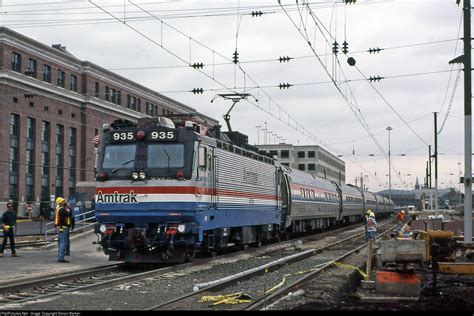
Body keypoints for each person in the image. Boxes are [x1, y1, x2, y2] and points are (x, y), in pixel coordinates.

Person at [54, 197, 71, 263]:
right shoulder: (62, 210)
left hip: (61, 227)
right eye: (63, 201)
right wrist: (68, 207)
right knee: (63, 242)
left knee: (61, 242)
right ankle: (61, 257)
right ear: (60, 203)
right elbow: (69, 214)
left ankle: (60, 256)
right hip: (63, 227)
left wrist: (56, 226)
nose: (64, 202)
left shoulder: (59, 209)